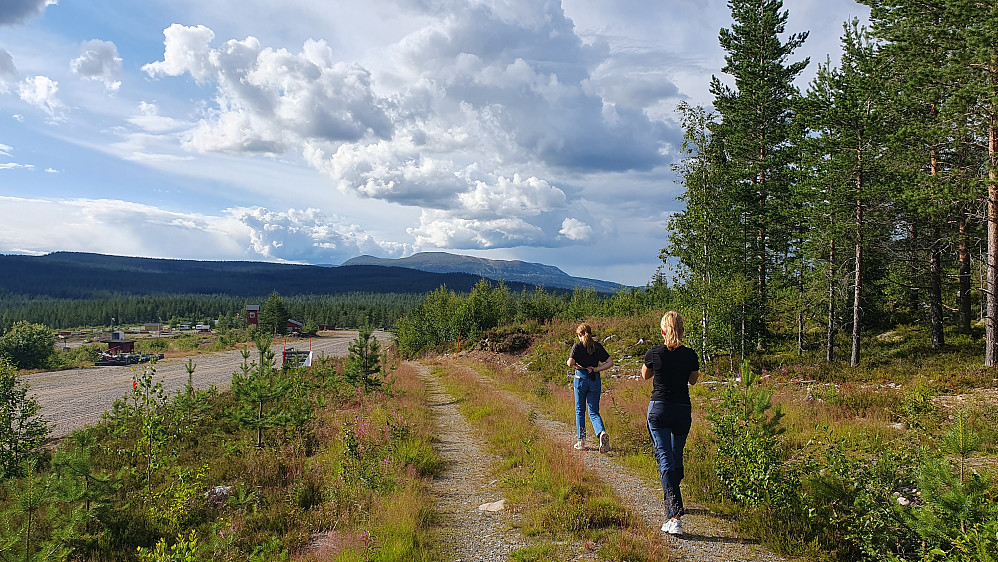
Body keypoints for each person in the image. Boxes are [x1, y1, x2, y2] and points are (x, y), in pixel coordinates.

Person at [641, 311, 699, 536]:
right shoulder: (691, 355)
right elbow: (692, 381)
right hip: (682, 410)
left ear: (663, 331)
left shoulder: (654, 353)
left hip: (659, 409)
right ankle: (673, 491)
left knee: (665, 458)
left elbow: (645, 376)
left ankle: (674, 516)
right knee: (676, 457)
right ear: (682, 330)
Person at [567, 323, 614, 453]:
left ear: (580, 334)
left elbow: (570, 363)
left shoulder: (577, 346)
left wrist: (579, 366)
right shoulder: (597, 346)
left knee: (580, 410)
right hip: (594, 379)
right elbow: (610, 362)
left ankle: (581, 441)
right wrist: (597, 369)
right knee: (594, 411)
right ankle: (601, 432)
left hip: (580, 379)